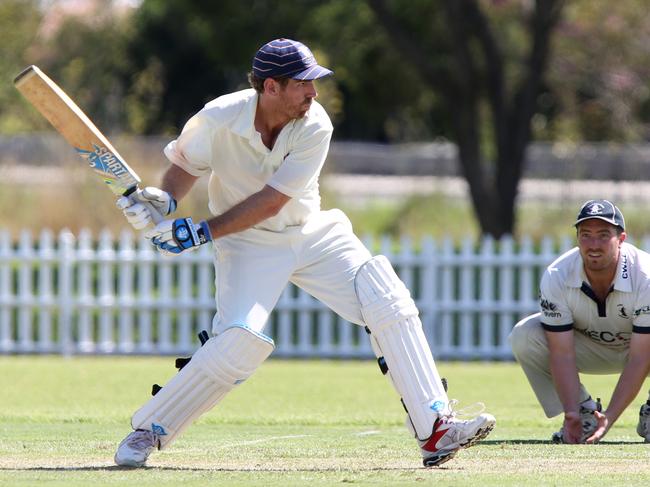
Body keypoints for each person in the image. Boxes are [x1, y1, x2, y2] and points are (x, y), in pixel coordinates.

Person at [113, 38, 495, 468]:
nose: (314, 93)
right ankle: (149, 429)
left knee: (385, 295)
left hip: (312, 232)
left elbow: (272, 201)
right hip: (248, 244)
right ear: (271, 87)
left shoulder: (315, 124)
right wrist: (164, 200)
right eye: (303, 84)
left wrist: (200, 231)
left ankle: (436, 428)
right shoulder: (219, 116)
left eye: (314, 83)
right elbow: (185, 165)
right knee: (237, 340)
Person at [509, 199, 650, 444]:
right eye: (586, 235)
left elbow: (641, 358)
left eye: (604, 235)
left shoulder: (645, 276)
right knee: (524, 335)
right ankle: (586, 416)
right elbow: (561, 354)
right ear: (577, 237)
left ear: (622, 238)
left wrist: (610, 417)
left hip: (642, 351)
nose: (593, 245)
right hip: (591, 348)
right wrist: (571, 410)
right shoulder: (557, 275)